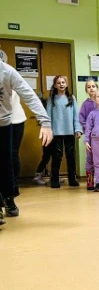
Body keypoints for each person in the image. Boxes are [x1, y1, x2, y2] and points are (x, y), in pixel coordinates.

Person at [0, 60, 52, 224]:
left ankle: (9, 197)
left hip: (4, 123)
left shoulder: (7, 72)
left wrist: (45, 122)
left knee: (6, 161)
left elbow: (29, 95)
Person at [47, 75, 82, 188]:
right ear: (55, 85)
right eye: (58, 83)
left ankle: (72, 179)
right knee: (57, 156)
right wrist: (48, 130)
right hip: (56, 132)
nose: (61, 84)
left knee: (70, 156)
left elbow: (76, 115)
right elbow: (48, 115)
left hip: (69, 131)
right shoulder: (52, 98)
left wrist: (77, 129)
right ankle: (54, 179)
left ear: (66, 84)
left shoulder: (72, 98)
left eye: (63, 82)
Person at [79, 78, 99, 190]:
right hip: (91, 137)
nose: (91, 88)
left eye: (93, 86)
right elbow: (82, 119)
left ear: (97, 88)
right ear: (86, 90)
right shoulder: (85, 104)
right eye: (89, 87)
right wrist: (89, 128)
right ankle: (90, 182)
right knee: (90, 159)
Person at [11, 91, 26, 197]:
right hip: (2, 120)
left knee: (13, 153)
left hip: (16, 120)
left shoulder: (12, 80)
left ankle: (14, 185)